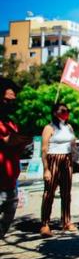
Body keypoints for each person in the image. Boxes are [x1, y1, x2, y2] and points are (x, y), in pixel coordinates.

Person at [40, 103, 78, 236]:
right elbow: (44, 149)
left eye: (68, 110)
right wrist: (46, 169)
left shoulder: (69, 127)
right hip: (53, 160)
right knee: (49, 192)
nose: (66, 112)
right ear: (55, 112)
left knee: (66, 192)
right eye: (63, 111)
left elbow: (73, 144)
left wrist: (76, 158)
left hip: (67, 160)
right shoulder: (49, 128)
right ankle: (45, 224)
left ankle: (66, 221)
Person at [0, 77, 30, 239]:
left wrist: (24, 140)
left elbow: (16, 149)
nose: (10, 104)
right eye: (6, 100)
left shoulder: (12, 124)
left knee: (6, 220)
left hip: (11, 183)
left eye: (13, 101)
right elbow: (7, 141)